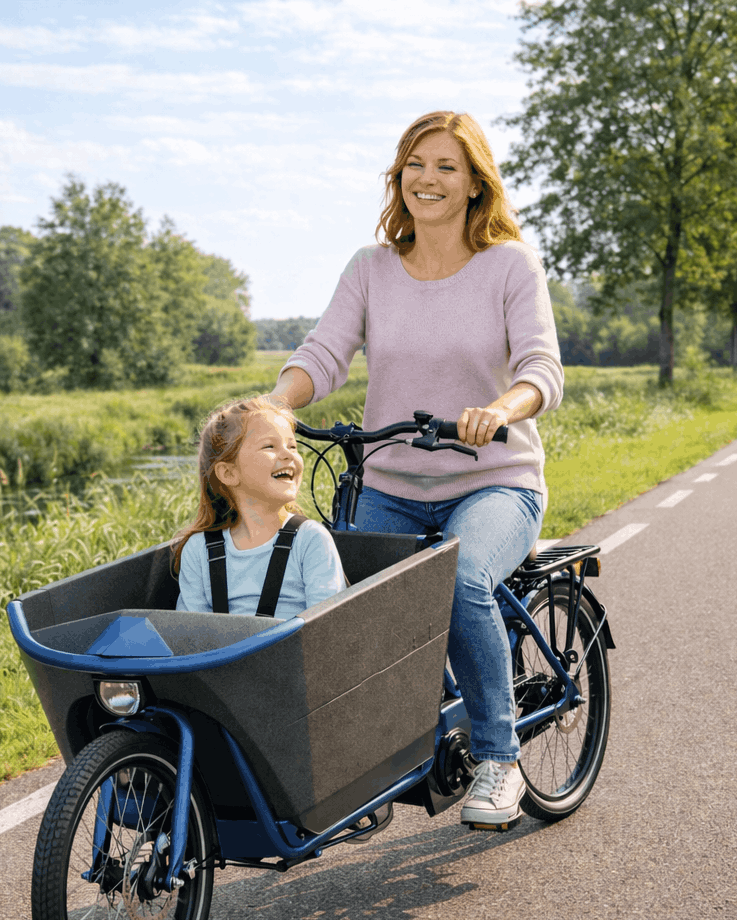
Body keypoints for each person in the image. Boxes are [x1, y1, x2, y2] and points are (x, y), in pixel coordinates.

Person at [268, 110, 564, 829]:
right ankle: (369, 762)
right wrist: (274, 405)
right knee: (340, 604)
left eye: (446, 167)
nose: (427, 179)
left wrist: (499, 407)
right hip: (391, 486)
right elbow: (325, 354)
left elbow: (541, 370)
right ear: (399, 176)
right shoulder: (370, 269)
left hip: (496, 480)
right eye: (415, 164)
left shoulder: (509, 265)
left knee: (458, 577)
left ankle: (500, 759)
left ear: (473, 185)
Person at [173, 395, 348, 618]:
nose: (288, 454)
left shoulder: (310, 540)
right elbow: (190, 634)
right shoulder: (198, 550)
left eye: (292, 446)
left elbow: (327, 628)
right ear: (228, 473)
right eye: (269, 446)